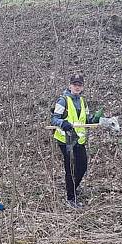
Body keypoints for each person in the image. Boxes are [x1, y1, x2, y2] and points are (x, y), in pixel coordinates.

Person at [50, 73, 103, 208]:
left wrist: (95, 119)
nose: (77, 87)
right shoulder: (63, 100)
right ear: (70, 86)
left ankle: (73, 187)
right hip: (65, 139)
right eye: (75, 84)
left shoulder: (83, 101)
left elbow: (86, 120)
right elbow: (54, 119)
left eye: (79, 85)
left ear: (82, 87)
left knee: (83, 166)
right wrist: (63, 123)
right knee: (70, 168)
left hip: (79, 140)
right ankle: (70, 197)